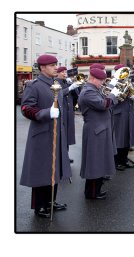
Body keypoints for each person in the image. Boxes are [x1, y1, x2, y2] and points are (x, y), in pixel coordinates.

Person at [20, 54, 72, 218]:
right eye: (52, 65)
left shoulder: (56, 83)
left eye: (56, 64)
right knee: (41, 170)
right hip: (42, 134)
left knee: (55, 169)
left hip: (57, 133)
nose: (56, 67)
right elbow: (26, 108)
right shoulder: (34, 86)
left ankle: (50, 201)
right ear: (42, 68)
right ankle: (39, 206)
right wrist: (46, 113)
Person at [78, 67, 121, 200]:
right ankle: (91, 192)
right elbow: (103, 104)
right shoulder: (88, 92)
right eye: (101, 80)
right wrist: (113, 95)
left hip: (100, 129)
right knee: (94, 162)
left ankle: (96, 189)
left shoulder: (94, 89)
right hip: (95, 131)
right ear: (93, 78)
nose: (103, 83)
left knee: (99, 161)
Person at [111, 64, 134, 171]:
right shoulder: (112, 84)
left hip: (129, 114)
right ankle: (117, 161)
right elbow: (110, 100)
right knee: (119, 138)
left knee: (127, 138)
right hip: (118, 114)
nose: (125, 75)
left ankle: (124, 160)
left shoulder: (129, 83)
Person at [55, 66, 80, 163]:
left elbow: (76, 96)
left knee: (67, 135)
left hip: (69, 112)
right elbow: (58, 94)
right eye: (62, 72)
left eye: (65, 71)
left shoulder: (66, 82)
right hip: (62, 113)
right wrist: (70, 88)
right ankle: (60, 157)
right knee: (62, 135)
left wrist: (75, 85)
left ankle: (66, 156)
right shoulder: (55, 82)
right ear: (58, 73)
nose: (65, 73)